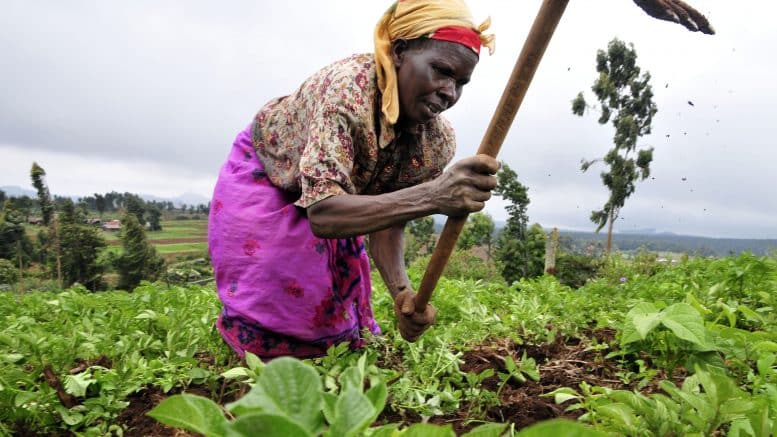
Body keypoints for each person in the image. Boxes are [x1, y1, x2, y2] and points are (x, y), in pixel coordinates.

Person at [208, 0, 499, 359]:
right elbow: (325, 215)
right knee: (278, 283)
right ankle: (258, 367)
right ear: (399, 52)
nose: (449, 92)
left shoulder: (434, 142)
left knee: (330, 316)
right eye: (440, 70)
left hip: (338, 193)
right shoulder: (348, 95)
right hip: (271, 170)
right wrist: (434, 195)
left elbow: (388, 222)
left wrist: (403, 295)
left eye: (460, 82)